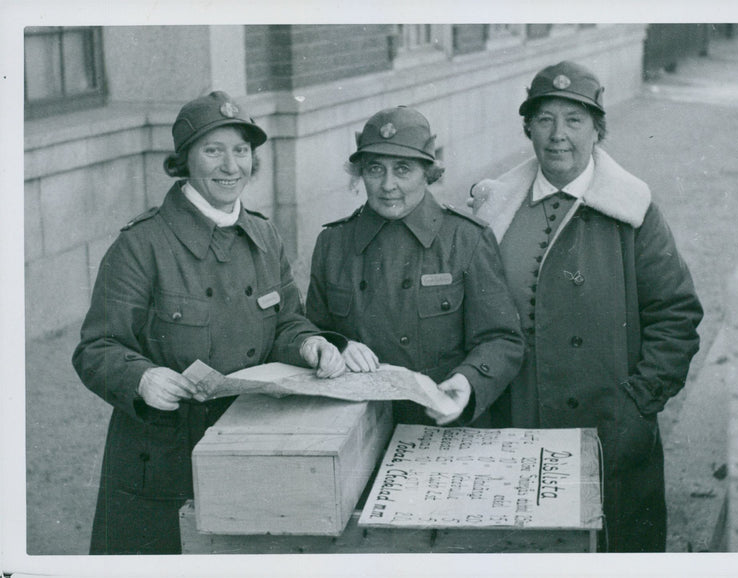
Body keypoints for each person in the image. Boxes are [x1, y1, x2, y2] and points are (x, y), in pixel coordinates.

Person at [72, 91, 347, 555]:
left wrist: (308, 344)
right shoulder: (143, 245)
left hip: (249, 445)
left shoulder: (265, 235)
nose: (230, 166)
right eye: (213, 150)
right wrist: (141, 377)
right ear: (185, 160)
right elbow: (97, 347)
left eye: (241, 150)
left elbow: (287, 323)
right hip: (161, 461)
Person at [469, 61, 703, 552]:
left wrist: (638, 402)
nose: (558, 136)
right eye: (545, 119)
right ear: (527, 127)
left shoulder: (632, 210)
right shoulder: (495, 211)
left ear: (598, 130)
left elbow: (676, 315)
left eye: (574, 120)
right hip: (518, 421)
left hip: (608, 429)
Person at [306, 106, 524, 427]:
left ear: (428, 172)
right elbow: (313, 330)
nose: (388, 185)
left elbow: (502, 339)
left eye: (403, 169)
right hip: (356, 425)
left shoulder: (465, 239)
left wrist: (466, 382)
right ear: (360, 175)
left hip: (440, 422)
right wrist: (336, 345)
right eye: (375, 169)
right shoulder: (333, 243)